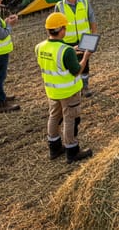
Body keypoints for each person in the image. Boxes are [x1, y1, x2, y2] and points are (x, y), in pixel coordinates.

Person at [36, 12, 92, 164]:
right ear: (60, 29)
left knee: (54, 116)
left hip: (52, 91)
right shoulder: (65, 51)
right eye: (64, 28)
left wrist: (71, 51)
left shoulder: (39, 47)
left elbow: (55, 60)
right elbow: (77, 71)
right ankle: (72, 150)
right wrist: (85, 57)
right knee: (70, 119)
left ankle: (54, 148)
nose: (65, 30)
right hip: (69, 92)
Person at [54, 0, 99, 98]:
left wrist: (94, 35)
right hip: (68, 41)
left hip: (85, 38)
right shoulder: (59, 6)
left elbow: (92, 18)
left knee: (85, 64)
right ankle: (73, 88)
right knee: (71, 65)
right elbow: (56, 25)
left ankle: (84, 87)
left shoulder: (85, 1)